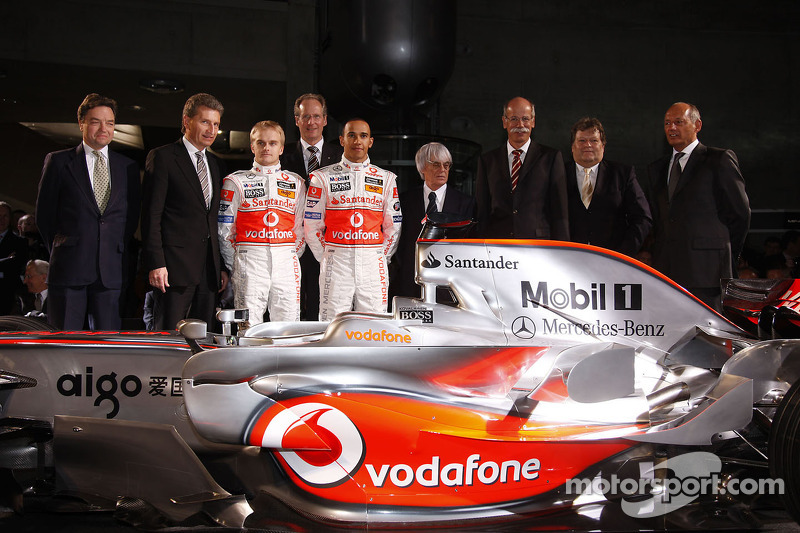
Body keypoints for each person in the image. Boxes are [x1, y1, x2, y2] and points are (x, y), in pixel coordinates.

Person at [36, 93, 140, 330]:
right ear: (81, 123)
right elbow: (45, 216)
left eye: (110, 123)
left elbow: (131, 218)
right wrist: (66, 245)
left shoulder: (128, 167)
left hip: (111, 271)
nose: (104, 128)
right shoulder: (59, 162)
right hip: (69, 266)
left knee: (108, 345)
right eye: (96, 121)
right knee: (64, 343)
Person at [645, 102, 750, 310]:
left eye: (678, 122)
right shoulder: (656, 168)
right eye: (667, 123)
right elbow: (659, 219)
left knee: (711, 339)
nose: (671, 128)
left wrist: (726, 252)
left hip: (708, 272)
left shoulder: (718, 159)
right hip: (666, 272)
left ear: (697, 125)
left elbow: (740, 214)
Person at [142, 93, 228, 330]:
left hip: (208, 271)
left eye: (216, 124)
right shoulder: (163, 157)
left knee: (204, 335)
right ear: (187, 121)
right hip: (173, 268)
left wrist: (219, 265)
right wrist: (156, 263)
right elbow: (151, 215)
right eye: (205, 122)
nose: (211, 129)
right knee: (168, 334)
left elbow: (213, 220)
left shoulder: (215, 164)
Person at [304, 118, 401, 320]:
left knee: (375, 327)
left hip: (373, 263)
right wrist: (327, 255)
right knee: (332, 325)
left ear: (370, 142)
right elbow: (311, 225)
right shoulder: (321, 178)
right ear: (342, 140)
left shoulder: (386, 179)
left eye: (363, 136)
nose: (358, 141)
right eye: (352, 135)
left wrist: (380, 256)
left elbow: (393, 226)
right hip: (336, 261)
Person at [218, 121, 306, 327]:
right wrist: (237, 263)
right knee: (248, 327)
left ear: (281, 148)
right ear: (252, 146)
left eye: (273, 143)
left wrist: (289, 254)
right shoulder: (235, 182)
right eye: (261, 142)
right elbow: (225, 231)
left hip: (286, 263)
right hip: (249, 262)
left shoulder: (297, 183)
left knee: (288, 328)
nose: (267, 148)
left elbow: (300, 229)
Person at [280, 93, 343, 320]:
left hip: (328, 243)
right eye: (305, 116)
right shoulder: (280, 154)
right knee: (288, 306)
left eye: (316, 116)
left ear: (325, 120)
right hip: (289, 242)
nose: (311, 122)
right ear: (296, 120)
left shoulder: (341, 156)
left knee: (324, 306)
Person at [476, 96, 569, 240]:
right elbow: (482, 212)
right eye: (513, 119)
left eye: (525, 119)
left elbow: (560, 212)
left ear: (533, 121)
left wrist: (563, 251)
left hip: (539, 247)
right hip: (498, 247)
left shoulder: (551, 158)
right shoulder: (487, 161)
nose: (520, 124)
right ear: (504, 122)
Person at [393, 142, 475, 298]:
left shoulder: (465, 202)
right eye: (436, 164)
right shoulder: (404, 201)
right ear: (422, 167)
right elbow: (399, 242)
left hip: (451, 287)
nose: (442, 170)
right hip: (409, 285)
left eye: (446, 165)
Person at [565, 117, 651, 257]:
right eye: (582, 140)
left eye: (594, 140)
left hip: (612, 264)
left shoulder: (623, 174)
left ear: (603, 147)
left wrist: (622, 256)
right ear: (572, 147)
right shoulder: (558, 175)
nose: (588, 145)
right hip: (566, 262)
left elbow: (643, 218)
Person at [0, 202, 28, 315]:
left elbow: (15, 265)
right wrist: (6, 260)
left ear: (10, 218)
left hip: (7, 294)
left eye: (5, 216)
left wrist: (10, 261)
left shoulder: (20, 242)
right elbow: (8, 263)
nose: (1, 219)